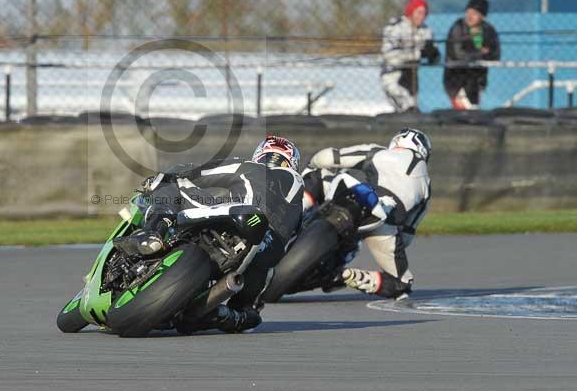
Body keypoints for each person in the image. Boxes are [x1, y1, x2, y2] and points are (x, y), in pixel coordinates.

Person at [114, 134, 304, 333]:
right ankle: (228, 315)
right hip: (265, 255)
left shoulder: (252, 167)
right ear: (293, 163)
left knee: (173, 185)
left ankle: (155, 233)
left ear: (260, 155)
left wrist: (169, 176)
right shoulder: (299, 206)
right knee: (251, 311)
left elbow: (202, 173)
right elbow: (292, 243)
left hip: (238, 219)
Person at [301, 128, 432, 299]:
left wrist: (309, 168)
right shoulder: (427, 185)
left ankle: (296, 210)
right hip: (385, 221)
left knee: (319, 173)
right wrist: (394, 245)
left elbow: (329, 157)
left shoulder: (378, 152)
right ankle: (349, 276)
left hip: (358, 198)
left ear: (397, 141)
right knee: (402, 284)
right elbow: (407, 233)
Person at [381, 0, 441, 112]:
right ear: (410, 12)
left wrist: (433, 54)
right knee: (407, 107)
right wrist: (418, 54)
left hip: (412, 77)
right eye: (419, 12)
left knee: (411, 110)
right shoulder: (395, 28)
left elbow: (433, 53)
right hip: (393, 76)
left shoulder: (426, 30)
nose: (422, 16)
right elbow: (389, 55)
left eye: (424, 13)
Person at [444, 0, 501, 109]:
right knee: (464, 112)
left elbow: (495, 54)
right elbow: (458, 54)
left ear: (482, 16)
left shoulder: (488, 30)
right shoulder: (458, 27)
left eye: (474, 13)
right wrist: (480, 53)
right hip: (457, 80)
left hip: (477, 80)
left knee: (473, 111)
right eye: (468, 12)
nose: (469, 16)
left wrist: (480, 54)